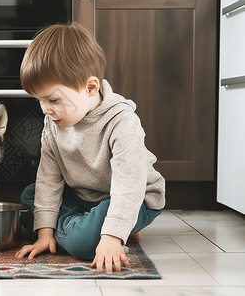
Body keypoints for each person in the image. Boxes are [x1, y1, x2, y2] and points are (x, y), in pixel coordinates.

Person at [14, 22, 166, 274]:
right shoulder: (53, 122)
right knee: (29, 197)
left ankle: (107, 229)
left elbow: (128, 186)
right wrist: (43, 234)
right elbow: (48, 179)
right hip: (81, 195)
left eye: (53, 100)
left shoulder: (123, 123)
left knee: (84, 244)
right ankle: (87, 227)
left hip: (130, 197)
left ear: (90, 87)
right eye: (40, 101)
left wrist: (111, 238)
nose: (45, 109)